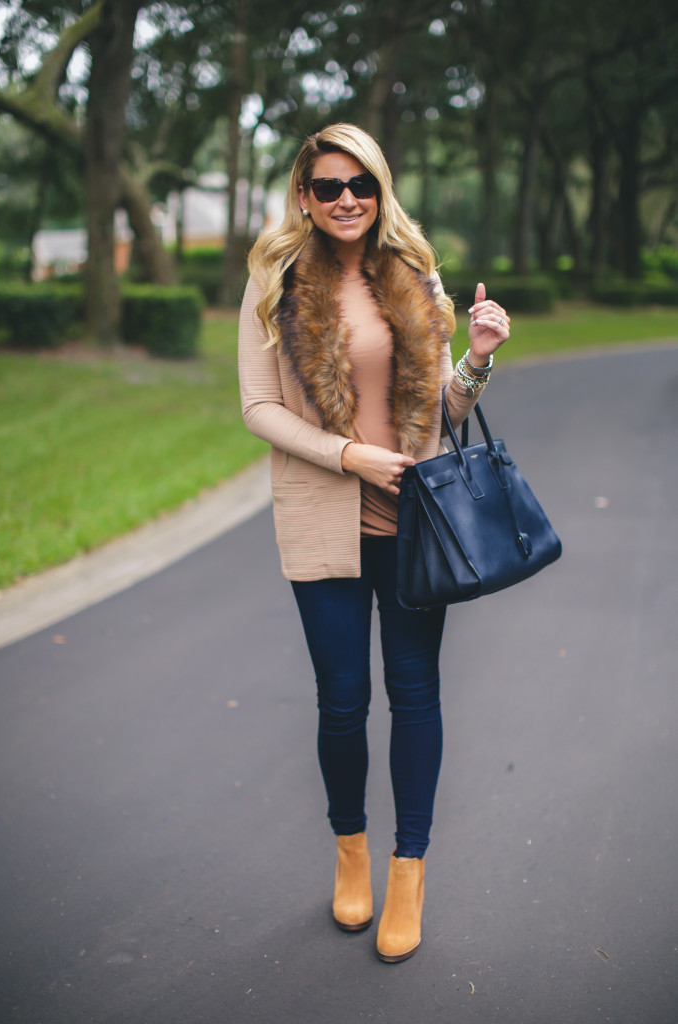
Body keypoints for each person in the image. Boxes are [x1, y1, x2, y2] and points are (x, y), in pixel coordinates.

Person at [238, 123, 510, 962]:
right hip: (323, 521)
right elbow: (259, 410)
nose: (346, 199)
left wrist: (478, 360)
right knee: (342, 702)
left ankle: (408, 871)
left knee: (415, 693)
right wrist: (346, 453)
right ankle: (349, 853)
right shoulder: (273, 284)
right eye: (328, 186)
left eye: (360, 184)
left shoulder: (415, 277)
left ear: (379, 189)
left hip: (414, 526)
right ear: (303, 196)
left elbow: (437, 416)